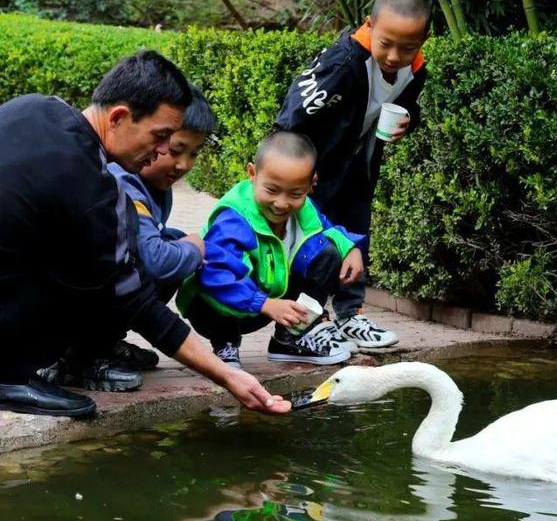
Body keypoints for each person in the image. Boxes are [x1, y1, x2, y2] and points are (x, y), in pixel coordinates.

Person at [0, 50, 290, 417]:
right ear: (119, 117)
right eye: (160, 136)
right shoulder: (94, 191)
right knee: (119, 270)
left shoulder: (37, 107)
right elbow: (136, 301)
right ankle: (13, 375)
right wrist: (226, 375)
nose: (163, 151)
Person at [275, 0, 430, 349]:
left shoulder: (416, 68)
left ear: (424, 39)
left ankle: (350, 315)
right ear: (369, 25)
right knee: (315, 244)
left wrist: (410, 120)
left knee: (356, 234)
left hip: (358, 165)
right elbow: (292, 116)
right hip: (312, 172)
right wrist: (298, 168)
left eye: (408, 47)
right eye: (386, 43)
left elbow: (405, 105)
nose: (394, 56)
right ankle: (306, 322)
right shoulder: (343, 63)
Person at [40, 84, 215, 392]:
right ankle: (77, 357)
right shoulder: (120, 182)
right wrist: (195, 246)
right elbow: (155, 262)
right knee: (167, 254)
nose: (183, 165)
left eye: (194, 154)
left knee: (171, 240)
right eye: (174, 149)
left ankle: (104, 343)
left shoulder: (154, 186)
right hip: (56, 299)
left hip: (95, 286)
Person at [176, 131, 366, 371]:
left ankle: (289, 338)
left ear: (310, 184)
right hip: (216, 306)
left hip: (267, 303)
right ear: (252, 174)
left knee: (328, 252)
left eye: (295, 194)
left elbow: (325, 227)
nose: (282, 203)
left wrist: (350, 248)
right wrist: (264, 304)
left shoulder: (304, 209)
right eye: (272, 190)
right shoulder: (234, 221)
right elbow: (216, 276)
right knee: (218, 286)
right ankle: (225, 346)